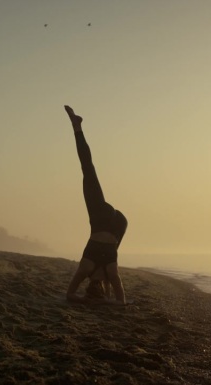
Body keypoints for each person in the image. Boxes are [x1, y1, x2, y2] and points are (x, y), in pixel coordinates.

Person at [64, 105, 128, 305]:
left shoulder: (86, 269)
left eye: (90, 290)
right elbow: (122, 302)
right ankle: (76, 126)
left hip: (100, 219)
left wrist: (87, 300)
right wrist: (107, 299)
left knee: (88, 170)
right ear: (100, 290)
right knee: (88, 170)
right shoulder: (110, 274)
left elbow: (70, 295)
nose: (93, 287)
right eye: (96, 290)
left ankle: (77, 127)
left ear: (88, 288)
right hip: (118, 225)